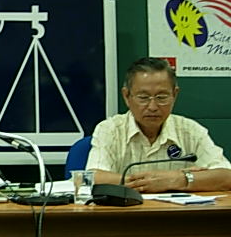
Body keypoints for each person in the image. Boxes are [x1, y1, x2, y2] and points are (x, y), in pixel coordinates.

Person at [86, 57, 231, 193]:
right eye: (143, 98)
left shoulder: (191, 131)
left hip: (179, 217)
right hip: (126, 216)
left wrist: (176, 180)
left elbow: (226, 176)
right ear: (126, 96)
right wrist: (151, 183)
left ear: (175, 95)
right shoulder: (110, 130)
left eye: (161, 97)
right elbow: (93, 178)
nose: (153, 107)